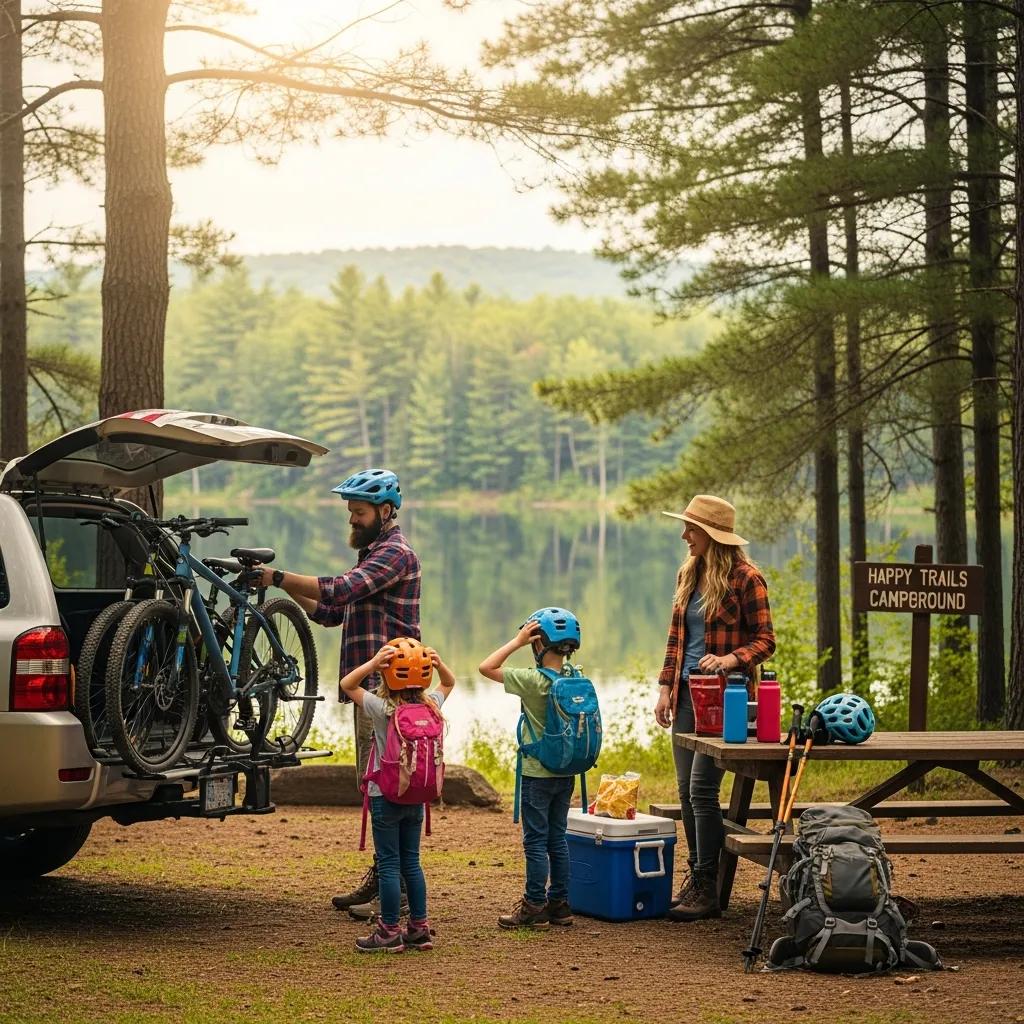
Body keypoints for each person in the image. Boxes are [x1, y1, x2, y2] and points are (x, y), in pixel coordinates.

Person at [252, 468, 421, 916]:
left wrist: (279, 578)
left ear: (386, 511)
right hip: (371, 690)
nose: (352, 519)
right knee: (374, 788)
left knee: (389, 790)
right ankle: (383, 876)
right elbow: (332, 611)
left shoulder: (395, 555)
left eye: (360, 512)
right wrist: (285, 593)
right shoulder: (373, 553)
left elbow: (343, 588)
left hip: (391, 694)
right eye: (350, 512)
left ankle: (398, 894)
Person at [654, 494, 775, 922]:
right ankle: (699, 878)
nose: (685, 535)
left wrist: (729, 660)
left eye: (691, 529)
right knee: (686, 789)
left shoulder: (747, 579)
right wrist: (666, 687)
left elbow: (766, 641)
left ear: (710, 534)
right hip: (687, 695)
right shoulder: (690, 572)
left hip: (729, 698)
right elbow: (676, 639)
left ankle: (706, 884)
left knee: (703, 789)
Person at [340, 638, 455, 952]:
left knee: (390, 864)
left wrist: (373, 663)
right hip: (417, 796)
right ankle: (419, 927)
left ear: (387, 675)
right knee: (412, 863)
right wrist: (438, 662)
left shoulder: (383, 708)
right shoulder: (431, 704)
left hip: (385, 794)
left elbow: (347, 684)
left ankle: (389, 931)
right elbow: (450, 682)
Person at [478, 607, 582, 931]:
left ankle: (534, 905)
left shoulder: (532, 680)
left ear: (538, 644)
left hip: (537, 774)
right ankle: (560, 905)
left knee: (535, 842)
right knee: (558, 838)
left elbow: (486, 667)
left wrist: (516, 641)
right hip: (566, 772)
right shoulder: (575, 677)